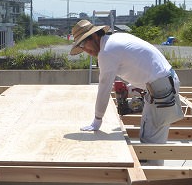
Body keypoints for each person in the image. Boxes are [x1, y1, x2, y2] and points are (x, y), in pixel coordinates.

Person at [70, 19, 183, 164]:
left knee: (151, 146)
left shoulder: (106, 52)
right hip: (164, 83)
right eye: (80, 46)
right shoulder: (116, 39)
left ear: (94, 36)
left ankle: (154, 179)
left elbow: (103, 88)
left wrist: (97, 120)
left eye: (84, 44)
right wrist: (132, 87)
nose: (85, 50)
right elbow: (144, 65)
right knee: (150, 136)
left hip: (161, 90)